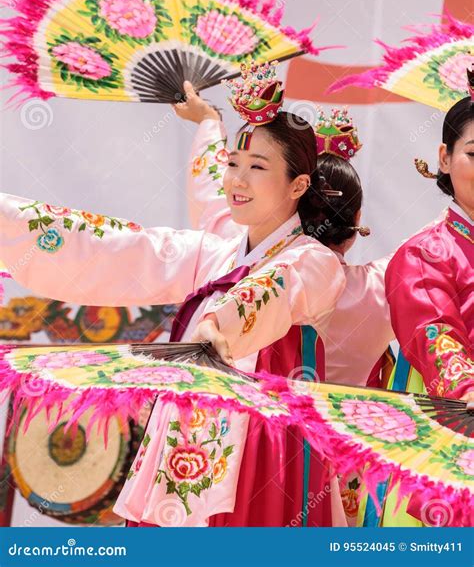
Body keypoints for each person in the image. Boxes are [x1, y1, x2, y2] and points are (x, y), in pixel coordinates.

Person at [0, 61, 345, 527]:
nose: (237, 180)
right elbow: (121, 245)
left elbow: (273, 289)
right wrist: (207, 122)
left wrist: (219, 326)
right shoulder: (216, 249)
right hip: (183, 433)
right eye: (234, 164)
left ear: (298, 185)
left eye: (257, 167)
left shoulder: (313, 261)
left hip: (264, 446)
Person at [177, 81, 395, 391]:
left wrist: (209, 121)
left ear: (297, 193)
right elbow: (436, 253)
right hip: (344, 434)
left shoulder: (247, 253)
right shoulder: (384, 286)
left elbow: (211, 194)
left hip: (263, 431)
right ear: (356, 219)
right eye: (236, 164)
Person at [360, 88, 474, 528]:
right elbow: (434, 333)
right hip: (449, 439)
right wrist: (465, 385)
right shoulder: (425, 255)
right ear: (444, 158)